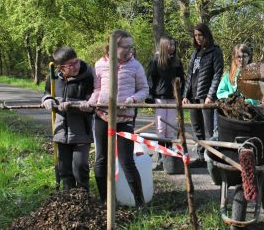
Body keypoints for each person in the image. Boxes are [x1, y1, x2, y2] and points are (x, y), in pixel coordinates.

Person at [83, 29, 149, 208]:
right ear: (114, 47)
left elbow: (144, 89)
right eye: (126, 47)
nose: (130, 51)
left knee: (126, 160)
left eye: (131, 47)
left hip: (124, 118)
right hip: (102, 116)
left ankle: (139, 203)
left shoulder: (136, 66)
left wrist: (132, 99)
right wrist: (91, 101)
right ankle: (105, 201)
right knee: (101, 159)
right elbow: (97, 89)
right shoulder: (99, 65)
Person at [42, 47, 95, 191]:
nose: (75, 66)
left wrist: (82, 104)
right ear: (60, 68)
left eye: (76, 61)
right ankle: (67, 197)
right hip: (60, 130)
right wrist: (47, 99)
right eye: (70, 65)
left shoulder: (89, 75)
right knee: (64, 167)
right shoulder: (53, 77)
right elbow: (47, 92)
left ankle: (84, 194)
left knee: (80, 165)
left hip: (81, 130)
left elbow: (94, 99)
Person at [182, 23, 224, 167]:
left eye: (200, 35)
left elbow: (218, 74)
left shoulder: (215, 51)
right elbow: (190, 75)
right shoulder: (195, 53)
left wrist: (211, 95)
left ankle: (213, 159)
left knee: (210, 129)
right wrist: (185, 95)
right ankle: (201, 157)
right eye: (196, 35)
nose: (198, 38)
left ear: (206, 35)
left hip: (206, 96)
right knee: (197, 128)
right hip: (193, 95)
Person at [146, 35, 184, 170]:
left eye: (174, 45)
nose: (172, 47)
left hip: (173, 98)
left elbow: (182, 80)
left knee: (171, 126)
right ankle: (161, 154)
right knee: (161, 127)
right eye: (170, 45)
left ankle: (169, 153)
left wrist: (182, 95)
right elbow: (150, 79)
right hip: (160, 97)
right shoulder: (155, 61)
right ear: (163, 46)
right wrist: (149, 95)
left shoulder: (177, 62)